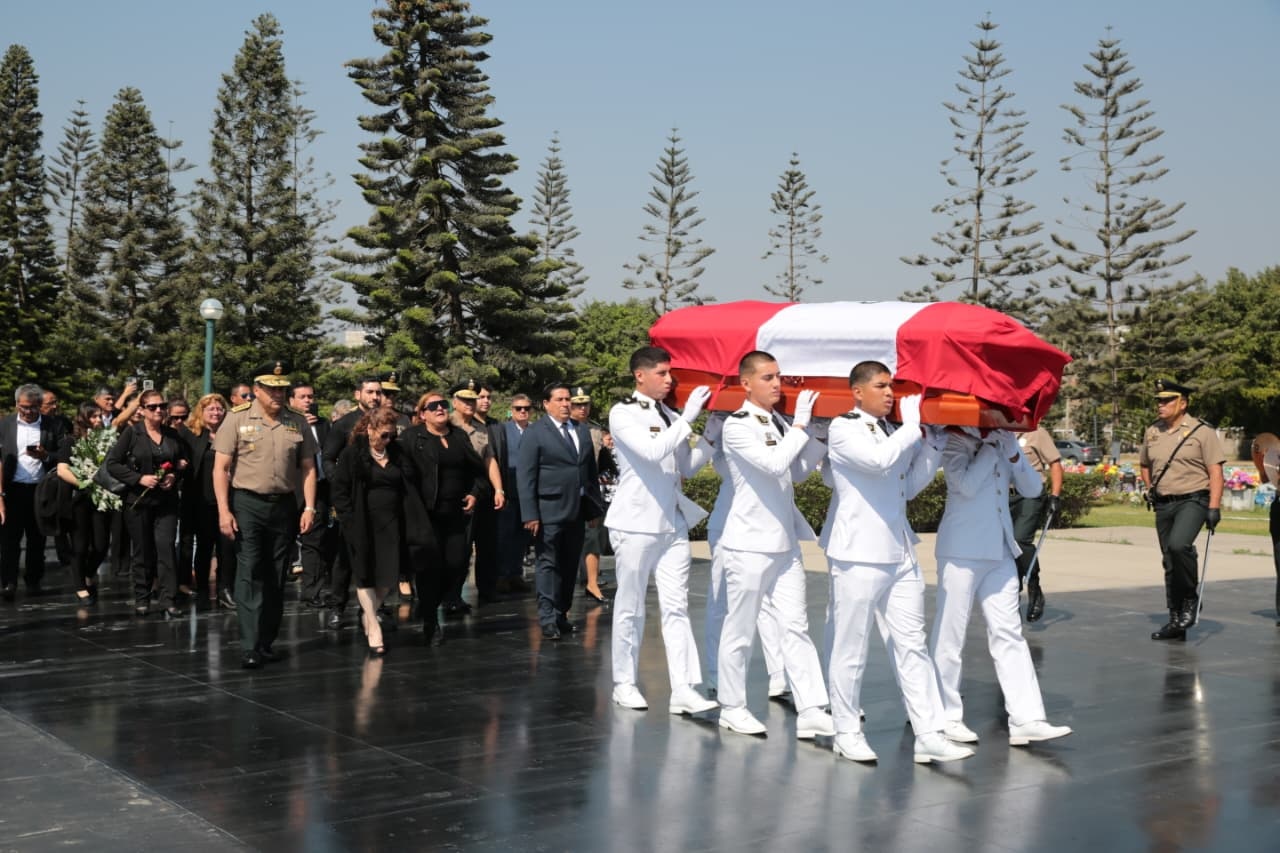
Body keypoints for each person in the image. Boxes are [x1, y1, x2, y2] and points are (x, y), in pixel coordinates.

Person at [823, 361, 973, 764]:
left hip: (899, 550)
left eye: (892, 386)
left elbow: (906, 486)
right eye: (881, 386)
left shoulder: (892, 431)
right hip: (858, 554)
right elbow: (878, 463)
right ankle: (846, 730)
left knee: (912, 646)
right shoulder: (843, 429)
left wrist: (934, 444)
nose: (890, 393)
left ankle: (928, 732)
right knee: (851, 647)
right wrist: (911, 429)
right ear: (857, 391)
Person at [930, 426, 1073, 747]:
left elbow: (1033, 487)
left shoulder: (1004, 438)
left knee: (1009, 632)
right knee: (951, 634)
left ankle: (1027, 717)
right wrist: (989, 450)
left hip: (1000, 549)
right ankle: (944, 715)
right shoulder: (955, 440)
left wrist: (1011, 452)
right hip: (962, 550)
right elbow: (963, 487)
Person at [716, 351, 834, 740]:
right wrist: (801, 424)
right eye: (767, 377)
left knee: (796, 626)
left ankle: (812, 707)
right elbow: (771, 463)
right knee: (741, 629)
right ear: (746, 383)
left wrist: (817, 434)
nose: (777, 384)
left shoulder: (779, 422)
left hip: (784, 543)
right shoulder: (737, 425)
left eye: (778, 376)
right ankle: (732, 707)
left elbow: (796, 472)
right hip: (748, 544)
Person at [605, 348, 717, 714]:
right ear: (640, 375)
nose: (670, 380)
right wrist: (687, 419)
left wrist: (711, 438)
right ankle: (624, 682)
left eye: (671, 373)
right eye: (662, 373)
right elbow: (652, 452)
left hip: (671, 523)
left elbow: (686, 465)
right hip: (635, 524)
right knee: (631, 606)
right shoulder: (623, 413)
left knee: (677, 607)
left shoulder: (671, 414)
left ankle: (683, 687)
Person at [213, 361, 318, 669]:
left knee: (276, 573)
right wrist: (224, 511)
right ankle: (249, 643)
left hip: (284, 505)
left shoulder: (296, 421)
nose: (278, 394)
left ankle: (266, 641)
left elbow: (309, 468)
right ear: (256, 390)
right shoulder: (236, 419)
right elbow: (220, 469)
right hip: (247, 503)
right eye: (271, 389)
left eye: (282, 389)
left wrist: (309, 506)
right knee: (249, 571)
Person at [703, 411, 791, 703]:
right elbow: (724, 468)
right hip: (728, 523)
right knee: (721, 602)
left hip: (764, 527)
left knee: (766, 605)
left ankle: (779, 673)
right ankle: (716, 671)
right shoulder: (732, 428)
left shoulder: (772, 423)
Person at [331, 406, 429, 655]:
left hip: (393, 521)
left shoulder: (397, 452)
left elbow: (411, 480)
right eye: (384, 435)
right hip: (362, 522)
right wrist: (348, 520)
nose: (388, 439)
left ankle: (370, 611)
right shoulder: (353, 454)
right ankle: (373, 625)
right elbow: (340, 491)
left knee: (389, 574)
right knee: (365, 572)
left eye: (391, 435)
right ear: (370, 430)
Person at [517, 382, 605, 640]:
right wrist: (530, 513)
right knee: (548, 563)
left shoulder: (581, 430)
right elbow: (526, 475)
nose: (566, 404)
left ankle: (561, 613)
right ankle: (546, 617)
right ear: (546, 404)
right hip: (548, 509)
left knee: (569, 564)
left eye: (568, 399)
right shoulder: (536, 433)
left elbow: (590, 473)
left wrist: (593, 508)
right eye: (560, 399)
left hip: (577, 510)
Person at [1140, 379, 1225, 640]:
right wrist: (1150, 487)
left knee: (1179, 546)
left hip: (1194, 500)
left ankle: (1190, 598)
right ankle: (1176, 620)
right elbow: (1145, 465)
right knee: (1169, 561)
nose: (1160, 405)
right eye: (1159, 400)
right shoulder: (1152, 431)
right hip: (1164, 503)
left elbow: (1215, 470)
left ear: (1183, 403)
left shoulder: (1202, 431)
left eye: (1167, 400)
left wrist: (1214, 506)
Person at [402, 391, 490, 644]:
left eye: (443, 405)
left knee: (456, 563)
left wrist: (475, 493)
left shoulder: (458, 436)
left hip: (455, 514)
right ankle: (430, 620)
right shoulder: (411, 438)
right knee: (429, 568)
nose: (440, 409)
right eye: (433, 406)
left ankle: (429, 603)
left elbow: (477, 472)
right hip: (425, 515)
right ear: (422, 414)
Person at [105, 388, 191, 618]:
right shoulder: (132, 433)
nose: (159, 410)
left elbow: (181, 462)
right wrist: (138, 478)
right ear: (141, 410)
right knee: (142, 551)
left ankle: (168, 599)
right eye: (152, 407)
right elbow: (112, 463)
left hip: (166, 502)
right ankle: (142, 597)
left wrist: (174, 476)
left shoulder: (172, 435)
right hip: (138, 501)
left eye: (162, 406)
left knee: (166, 548)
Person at [322, 376, 384, 628]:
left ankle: (372, 609)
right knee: (345, 556)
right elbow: (327, 458)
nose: (375, 397)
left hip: (378, 500)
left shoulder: (386, 422)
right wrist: (340, 484)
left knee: (376, 556)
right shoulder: (345, 424)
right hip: (350, 501)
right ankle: (337, 606)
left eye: (378, 392)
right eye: (370, 392)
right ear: (358, 394)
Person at [1, 383, 68, 600]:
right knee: (10, 539)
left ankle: (33, 581)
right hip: (13, 489)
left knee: (37, 538)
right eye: (23, 407)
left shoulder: (52, 425)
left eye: (32, 407)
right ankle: (8, 581)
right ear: (16, 405)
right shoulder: (6, 425)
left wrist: (46, 456)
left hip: (41, 489)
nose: (28, 412)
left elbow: (64, 455)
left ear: (40, 405)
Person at [446, 379, 505, 611]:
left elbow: (490, 459)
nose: (471, 404)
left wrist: (498, 489)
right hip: (459, 493)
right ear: (455, 402)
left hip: (483, 492)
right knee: (460, 548)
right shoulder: (448, 425)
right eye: (466, 400)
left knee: (488, 544)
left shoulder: (481, 428)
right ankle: (452, 595)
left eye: (473, 399)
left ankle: (487, 589)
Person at [54, 402, 116, 604]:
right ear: (83, 418)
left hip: (100, 498)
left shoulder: (105, 442)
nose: (98, 420)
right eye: (94, 416)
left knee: (101, 544)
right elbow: (62, 470)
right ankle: (80, 586)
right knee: (79, 546)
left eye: (99, 416)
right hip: (78, 499)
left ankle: (89, 573)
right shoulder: (70, 441)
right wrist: (84, 482)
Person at [180, 394, 235, 609]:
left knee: (227, 548)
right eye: (210, 409)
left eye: (219, 409)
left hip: (228, 499)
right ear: (201, 413)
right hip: (200, 499)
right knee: (204, 547)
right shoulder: (190, 434)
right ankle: (202, 589)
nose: (215, 413)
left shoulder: (231, 433)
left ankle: (225, 589)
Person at [289, 383, 337, 607]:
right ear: (292, 401)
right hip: (290, 489)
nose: (307, 401)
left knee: (314, 541)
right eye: (302, 397)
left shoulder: (325, 425)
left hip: (318, 490)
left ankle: (312, 592)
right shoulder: (286, 422)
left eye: (310, 397)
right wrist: (300, 429)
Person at [1011, 426, 1063, 622]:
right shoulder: (1000, 430)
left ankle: (1034, 584)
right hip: (1005, 496)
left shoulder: (1037, 433)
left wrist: (1055, 496)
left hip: (1030, 495)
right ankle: (1012, 590)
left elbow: (1055, 464)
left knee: (1020, 539)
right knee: (1008, 547)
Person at [570, 386, 610, 602]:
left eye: (585, 404)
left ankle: (592, 582)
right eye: (578, 404)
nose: (582, 408)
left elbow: (603, 464)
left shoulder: (595, 431)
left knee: (592, 539)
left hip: (589, 492)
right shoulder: (565, 428)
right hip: (567, 492)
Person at [494, 393, 534, 595]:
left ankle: (515, 573)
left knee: (522, 535)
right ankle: (501, 575)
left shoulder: (535, 430)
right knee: (505, 534)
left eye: (526, 408)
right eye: (519, 408)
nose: (523, 412)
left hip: (529, 492)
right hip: (509, 489)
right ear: (512, 410)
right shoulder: (503, 429)